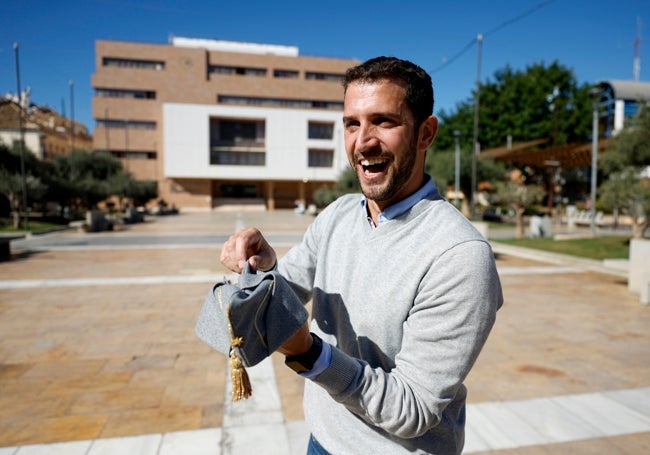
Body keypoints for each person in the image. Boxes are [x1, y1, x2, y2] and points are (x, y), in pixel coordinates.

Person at [220, 56, 503, 454]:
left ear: (426, 133)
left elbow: (413, 409)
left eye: (384, 121)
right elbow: (287, 285)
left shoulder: (460, 256)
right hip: (321, 441)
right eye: (352, 124)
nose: (364, 141)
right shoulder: (338, 214)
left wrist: (309, 353)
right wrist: (265, 266)